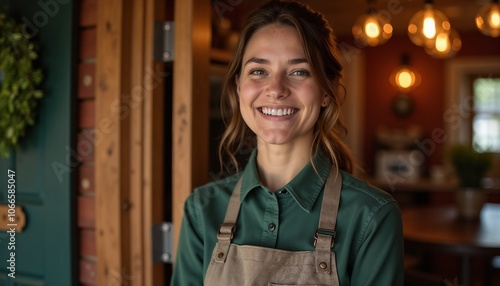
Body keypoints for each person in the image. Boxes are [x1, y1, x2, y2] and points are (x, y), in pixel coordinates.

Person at [171, 0, 404, 285]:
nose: (276, 89)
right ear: (238, 87)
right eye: (259, 71)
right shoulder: (202, 210)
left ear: (326, 91)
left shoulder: (371, 217)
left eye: (298, 72)